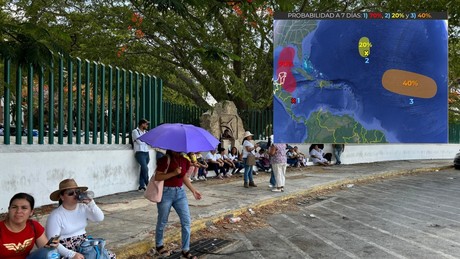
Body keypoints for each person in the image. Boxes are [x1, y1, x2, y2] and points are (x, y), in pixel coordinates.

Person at [46, 179, 115, 259]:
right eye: (71, 193)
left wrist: (91, 203)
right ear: (62, 197)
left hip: (84, 245)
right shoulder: (56, 215)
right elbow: (52, 242)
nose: (75, 195)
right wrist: (71, 254)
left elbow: (99, 218)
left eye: (77, 192)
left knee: (108, 256)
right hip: (66, 249)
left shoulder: (83, 207)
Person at [154, 150, 201, 259]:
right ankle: (159, 245)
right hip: (166, 193)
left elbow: (184, 176)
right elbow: (158, 177)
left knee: (186, 221)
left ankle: (185, 250)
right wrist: (173, 173)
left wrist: (193, 190)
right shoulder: (165, 159)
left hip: (180, 193)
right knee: (162, 220)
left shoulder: (184, 160)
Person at [0, 193, 59, 259]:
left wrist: (52, 246)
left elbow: (45, 250)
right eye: (14, 207)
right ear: (9, 209)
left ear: (31, 212)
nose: (18, 211)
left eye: (24, 208)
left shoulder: (33, 225)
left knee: (52, 253)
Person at [132, 118, 150, 191]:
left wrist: (144, 140)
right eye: (146, 124)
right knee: (145, 168)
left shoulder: (146, 132)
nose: (147, 125)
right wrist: (145, 141)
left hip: (146, 152)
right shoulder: (135, 131)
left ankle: (141, 185)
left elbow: (148, 141)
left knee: (143, 169)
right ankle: (148, 183)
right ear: (142, 124)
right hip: (139, 152)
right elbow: (139, 142)